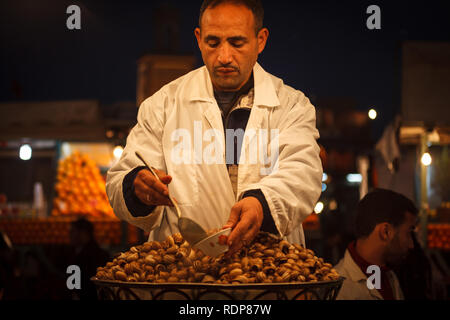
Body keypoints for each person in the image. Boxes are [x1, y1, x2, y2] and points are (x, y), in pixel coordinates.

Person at [106, 0, 322, 254]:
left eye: (237, 43)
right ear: (198, 39)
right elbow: (120, 178)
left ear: (260, 40)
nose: (224, 56)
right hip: (184, 277)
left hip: (268, 277)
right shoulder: (162, 105)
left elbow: (303, 172)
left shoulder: (292, 106)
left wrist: (262, 205)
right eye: (213, 42)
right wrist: (137, 187)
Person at [335, 189, 418, 300]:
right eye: (409, 233)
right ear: (385, 232)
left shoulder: (383, 273)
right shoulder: (338, 289)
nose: (411, 245)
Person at [69, 218, 110, 300]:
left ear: (83, 233)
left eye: (72, 232)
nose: (69, 235)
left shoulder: (86, 256)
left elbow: (76, 284)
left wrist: (75, 293)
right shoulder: (78, 252)